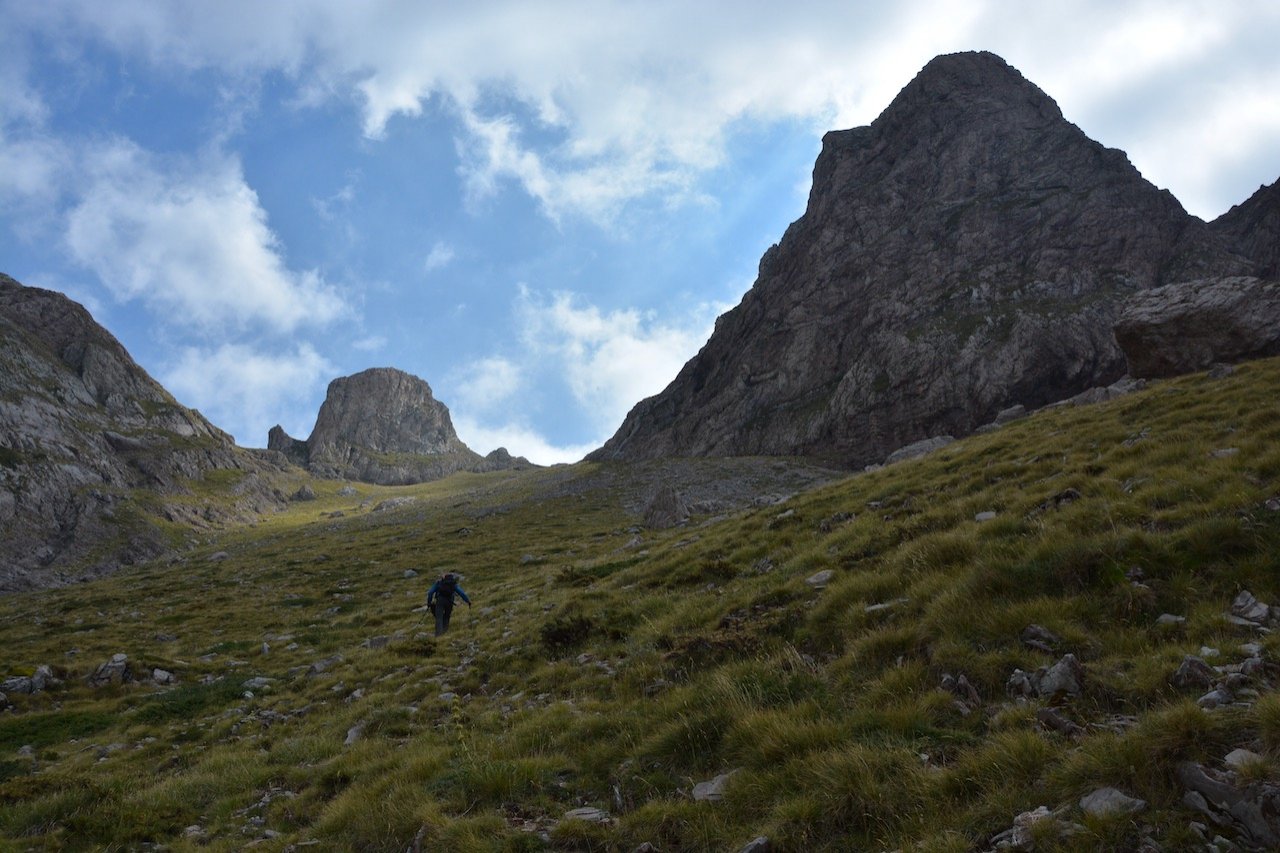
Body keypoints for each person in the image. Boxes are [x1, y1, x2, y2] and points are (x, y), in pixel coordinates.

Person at [426, 571, 471, 636]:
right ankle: (444, 633)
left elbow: (430, 592)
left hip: (440, 601)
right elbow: (462, 593)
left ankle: (438, 635)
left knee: (439, 617)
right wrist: (468, 601)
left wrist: (429, 603)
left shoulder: (439, 583)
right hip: (450, 602)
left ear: (443, 577)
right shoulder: (453, 584)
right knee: (447, 617)